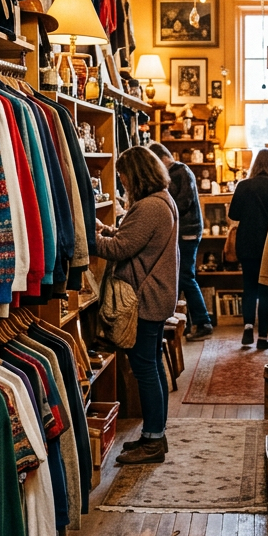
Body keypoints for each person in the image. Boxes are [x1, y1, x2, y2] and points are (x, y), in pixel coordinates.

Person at [94, 146, 179, 465]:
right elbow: (134, 240)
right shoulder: (161, 200)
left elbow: (121, 249)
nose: (121, 180)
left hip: (145, 297)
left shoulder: (148, 206)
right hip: (156, 294)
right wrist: (107, 231)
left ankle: (153, 440)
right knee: (152, 365)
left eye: (123, 174)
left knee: (145, 368)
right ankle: (153, 435)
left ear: (135, 174)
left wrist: (86, 238)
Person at [149, 142, 213, 340]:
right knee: (181, 276)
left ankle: (202, 322)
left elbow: (182, 202)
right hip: (187, 230)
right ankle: (185, 321)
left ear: (160, 159)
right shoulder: (181, 171)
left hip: (187, 231)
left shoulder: (179, 171)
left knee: (185, 276)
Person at [228, 147, 268, 349]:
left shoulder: (243, 185)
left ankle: (248, 328)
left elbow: (234, 214)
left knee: (249, 287)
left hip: (246, 244)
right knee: (266, 289)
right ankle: (263, 338)